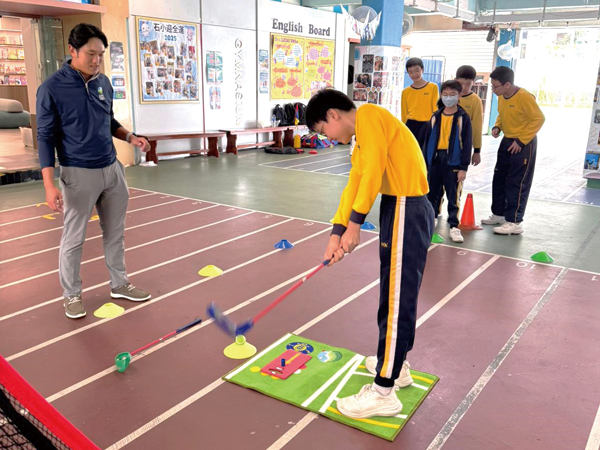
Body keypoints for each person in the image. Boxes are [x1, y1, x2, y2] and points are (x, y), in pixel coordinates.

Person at [306, 89, 433, 420]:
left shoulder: (371, 116)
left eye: (323, 130)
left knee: (396, 300)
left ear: (333, 115)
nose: (327, 137)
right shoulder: (360, 139)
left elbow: (374, 172)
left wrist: (355, 225)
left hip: (407, 208)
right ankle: (396, 366)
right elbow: (356, 182)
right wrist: (337, 232)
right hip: (397, 207)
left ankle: (383, 391)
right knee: (392, 295)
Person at [37, 23, 152, 319]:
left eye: (100, 54)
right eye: (91, 53)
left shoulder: (104, 83)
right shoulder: (51, 88)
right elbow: (45, 137)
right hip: (78, 173)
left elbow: (108, 120)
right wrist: (49, 185)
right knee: (74, 238)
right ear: (72, 51)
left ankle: (119, 283)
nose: (96, 60)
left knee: (115, 233)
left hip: (111, 169)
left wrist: (130, 137)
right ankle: (71, 294)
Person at [482, 66, 545, 235]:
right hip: (507, 141)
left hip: (523, 143)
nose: (493, 90)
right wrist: (497, 126)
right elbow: (501, 114)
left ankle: (514, 221)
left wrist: (521, 141)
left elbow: (538, 119)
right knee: (499, 178)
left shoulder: (524, 97)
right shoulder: (502, 96)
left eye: (495, 86)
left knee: (516, 182)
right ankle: (499, 214)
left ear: (507, 84)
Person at [422, 80, 473, 243]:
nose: (448, 98)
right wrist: (426, 163)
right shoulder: (435, 116)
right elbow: (427, 141)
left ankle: (454, 226)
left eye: (452, 94)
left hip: (454, 161)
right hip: (436, 159)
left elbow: (467, 143)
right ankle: (432, 219)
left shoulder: (463, 118)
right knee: (432, 193)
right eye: (445, 94)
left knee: (453, 195)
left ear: (459, 95)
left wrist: (463, 167)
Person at [401, 57, 439, 143]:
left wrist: (435, 126)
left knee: (425, 149)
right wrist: (404, 128)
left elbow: (435, 109)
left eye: (417, 70)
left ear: (422, 70)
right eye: (411, 72)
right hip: (411, 124)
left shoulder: (433, 87)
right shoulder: (405, 92)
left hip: (427, 124)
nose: (414, 74)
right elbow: (404, 113)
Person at [456, 65, 483, 166]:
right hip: (444, 143)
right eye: (461, 83)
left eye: (468, 84)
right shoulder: (448, 95)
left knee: (459, 172)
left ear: (473, 82)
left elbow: (477, 126)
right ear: (455, 80)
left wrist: (477, 151)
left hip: (464, 144)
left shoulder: (475, 100)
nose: (464, 87)